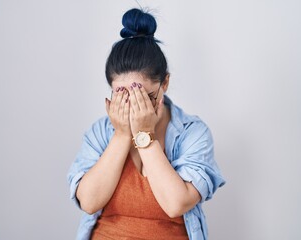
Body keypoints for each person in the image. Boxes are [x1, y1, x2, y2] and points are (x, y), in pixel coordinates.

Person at [67, 8, 225, 240]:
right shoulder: (101, 132)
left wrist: (144, 136)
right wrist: (121, 136)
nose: (135, 108)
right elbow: (88, 203)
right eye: (124, 96)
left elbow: (175, 204)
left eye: (145, 96)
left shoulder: (193, 133)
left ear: (165, 83)